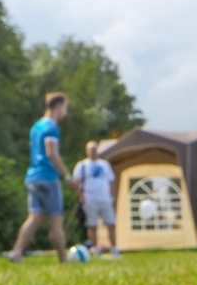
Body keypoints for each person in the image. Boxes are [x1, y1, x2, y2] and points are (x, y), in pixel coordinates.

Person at [8, 92, 75, 262]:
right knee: (56, 221)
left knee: (35, 217)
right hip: (48, 177)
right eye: (65, 108)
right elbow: (51, 153)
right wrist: (67, 175)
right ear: (58, 106)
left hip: (32, 177)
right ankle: (63, 260)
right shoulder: (52, 127)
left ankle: (16, 252)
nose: (65, 112)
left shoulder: (36, 126)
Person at [72, 141, 120, 257]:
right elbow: (76, 182)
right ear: (87, 151)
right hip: (90, 198)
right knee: (92, 225)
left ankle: (114, 248)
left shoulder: (104, 165)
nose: (93, 152)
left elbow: (111, 181)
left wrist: (112, 196)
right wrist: (80, 195)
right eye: (90, 150)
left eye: (94, 149)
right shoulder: (82, 165)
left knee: (111, 223)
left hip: (105, 198)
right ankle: (95, 248)